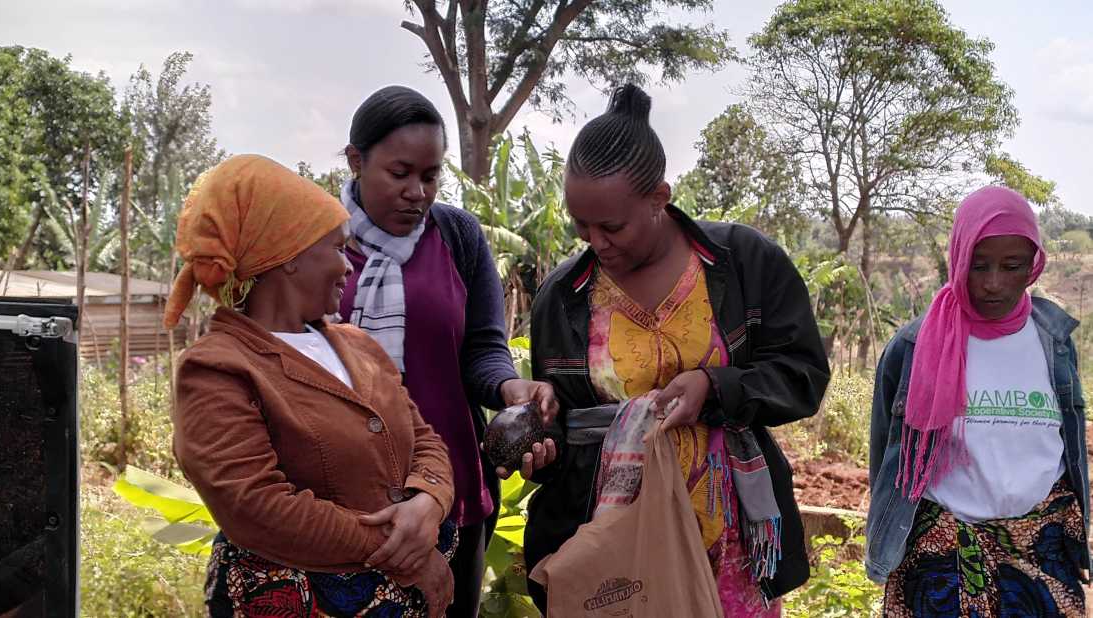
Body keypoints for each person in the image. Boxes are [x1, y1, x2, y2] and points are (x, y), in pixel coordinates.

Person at [524, 84, 830, 615]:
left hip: (728, 538)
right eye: (581, 226)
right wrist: (543, 441)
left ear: (659, 198)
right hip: (619, 549)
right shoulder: (563, 297)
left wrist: (715, 386)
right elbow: (565, 420)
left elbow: (801, 375)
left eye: (612, 226)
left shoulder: (743, 263)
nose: (596, 242)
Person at [164, 154, 457, 617]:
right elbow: (256, 505)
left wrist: (429, 500)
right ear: (289, 257)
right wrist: (406, 551)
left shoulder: (358, 345)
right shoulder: (217, 367)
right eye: (338, 249)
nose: (347, 268)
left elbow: (423, 438)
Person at [338, 85, 558, 618]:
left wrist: (511, 388)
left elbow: (482, 347)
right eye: (400, 173)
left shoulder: (456, 235)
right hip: (346, 501)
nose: (418, 191)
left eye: (431, 175)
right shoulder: (318, 240)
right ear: (356, 160)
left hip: (452, 493)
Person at [866, 186, 1089, 617]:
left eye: (1012, 266)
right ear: (958, 257)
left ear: (1033, 266)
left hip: (1040, 552)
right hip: (940, 560)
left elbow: (1069, 447)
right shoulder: (914, 348)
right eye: (978, 265)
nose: (992, 283)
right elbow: (887, 458)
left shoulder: (1054, 343)